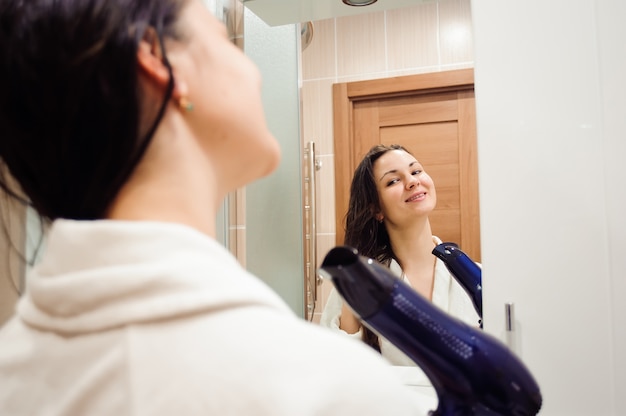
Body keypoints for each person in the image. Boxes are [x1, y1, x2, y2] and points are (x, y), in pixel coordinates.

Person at [0, 2, 431, 415]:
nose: (257, 76)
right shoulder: (334, 392)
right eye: (226, 41)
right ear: (159, 59)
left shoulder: (13, 370)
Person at [320, 144, 480, 397]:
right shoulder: (355, 283)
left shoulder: (476, 278)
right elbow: (337, 369)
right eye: (393, 180)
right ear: (376, 209)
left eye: (416, 172)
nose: (412, 182)